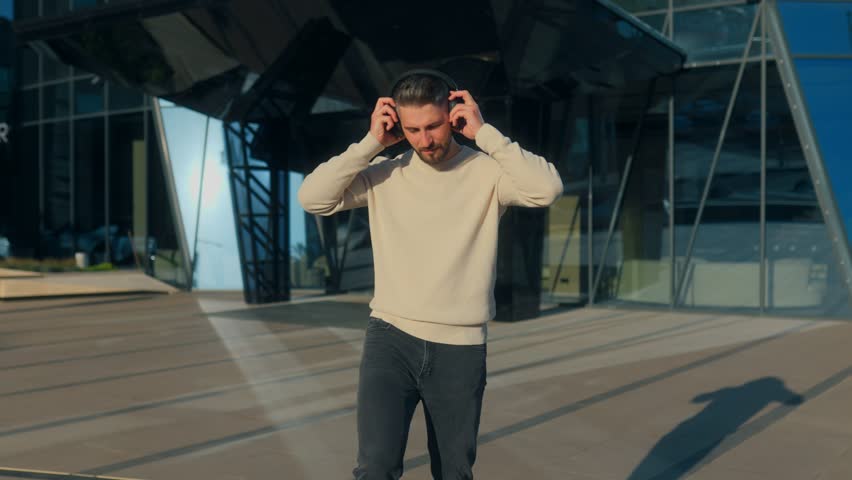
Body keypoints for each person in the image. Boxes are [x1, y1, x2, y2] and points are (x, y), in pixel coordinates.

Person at [298, 70, 563, 479]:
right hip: (390, 339)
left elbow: (546, 189)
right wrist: (370, 145)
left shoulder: (487, 172)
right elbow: (313, 198)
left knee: (453, 473)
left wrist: (486, 134)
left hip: (460, 348)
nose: (425, 139)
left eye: (434, 126)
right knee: (374, 468)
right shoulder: (385, 174)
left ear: (453, 115)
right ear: (398, 127)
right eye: (413, 129)